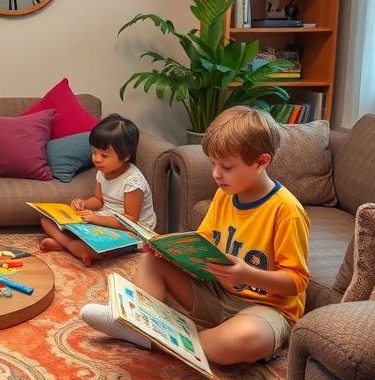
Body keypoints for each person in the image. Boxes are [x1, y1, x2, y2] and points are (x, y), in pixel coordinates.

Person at [81, 106, 310, 366]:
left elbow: (297, 282)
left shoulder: (286, 211)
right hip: (216, 292)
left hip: (266, 309)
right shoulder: (224, 195)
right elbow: (203, 241)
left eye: (226, 166)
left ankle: (157, 334)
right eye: (213, 164)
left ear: (261, 162)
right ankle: (140, 323)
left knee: (247, 338)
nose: (216, 174)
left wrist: (247, 274)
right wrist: (171, 251)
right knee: (153, 261)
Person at [38, 113, 156, 266]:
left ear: (126, 156)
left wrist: (96, 219)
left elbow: (130, 220)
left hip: (132, 229)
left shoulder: (133, 181)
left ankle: (71, 245)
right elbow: (98, 199)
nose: (97, 159)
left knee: (103, 247)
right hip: (105, 218)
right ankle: (70, 244)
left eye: (104, 155)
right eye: (94, 152)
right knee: (45, 218)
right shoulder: (103, 170)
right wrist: (84, 204)